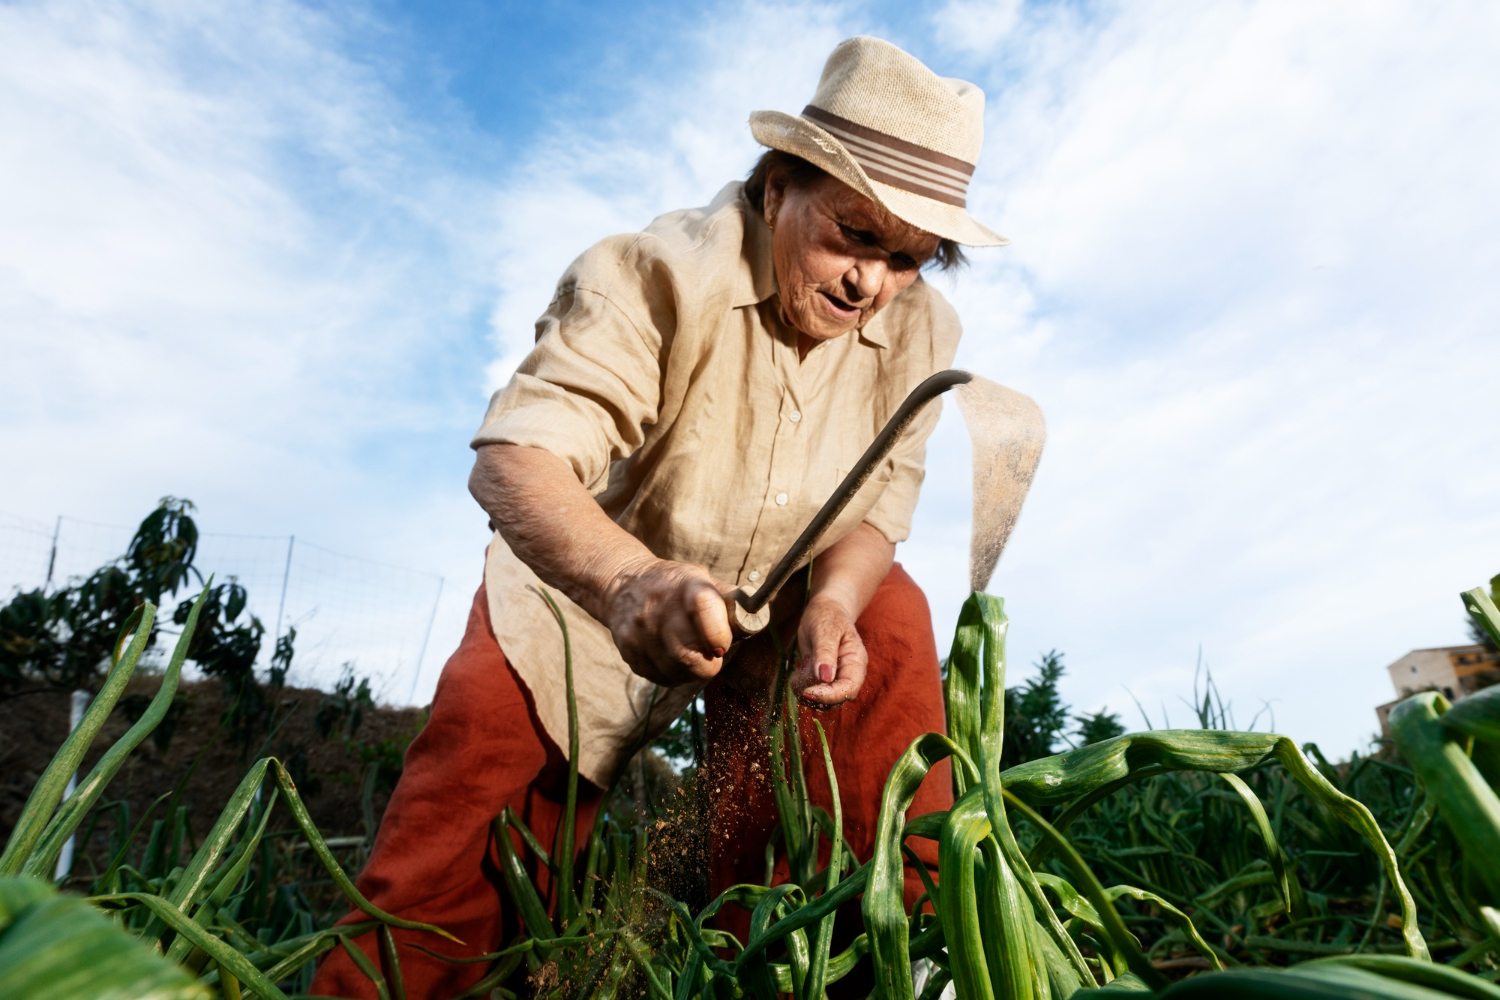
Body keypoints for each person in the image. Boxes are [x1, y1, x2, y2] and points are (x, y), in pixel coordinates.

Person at [311, 35, 1009, 999]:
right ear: (777, 187)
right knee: (455, 885)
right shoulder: (654, 274)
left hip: (776, 612)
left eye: (906, 257)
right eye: (853, 235)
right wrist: (630, 582)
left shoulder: (921, 330)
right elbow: (519, 458)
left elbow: (879, 501)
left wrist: (835, 604)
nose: (869, 284)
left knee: (888, 619)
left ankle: (862, 956)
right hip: (585, 597)